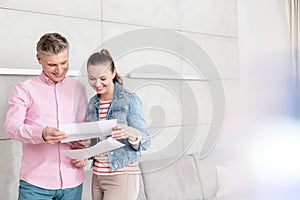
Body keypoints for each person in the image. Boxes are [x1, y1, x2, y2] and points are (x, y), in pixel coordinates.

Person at [4, 32, 89, 200]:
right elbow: (11, 127)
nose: (59, 70)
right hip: (36, 184)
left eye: (64, 63)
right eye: (52, 65)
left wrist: (85, 151)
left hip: (73, 181)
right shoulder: (24, 89)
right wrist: (41, 134)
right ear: (39, 59)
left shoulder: (79, 88)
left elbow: (84, 128)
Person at [86, 49, 151, 200]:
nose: (97, 84)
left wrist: (131, 133)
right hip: (97, 176)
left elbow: (146, 141)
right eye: (92, 79)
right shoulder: (92, 103)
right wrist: (85, 146)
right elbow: (96, 142)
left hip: (122, 176)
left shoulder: (129, 99)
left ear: (113, 73)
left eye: (103, 78)